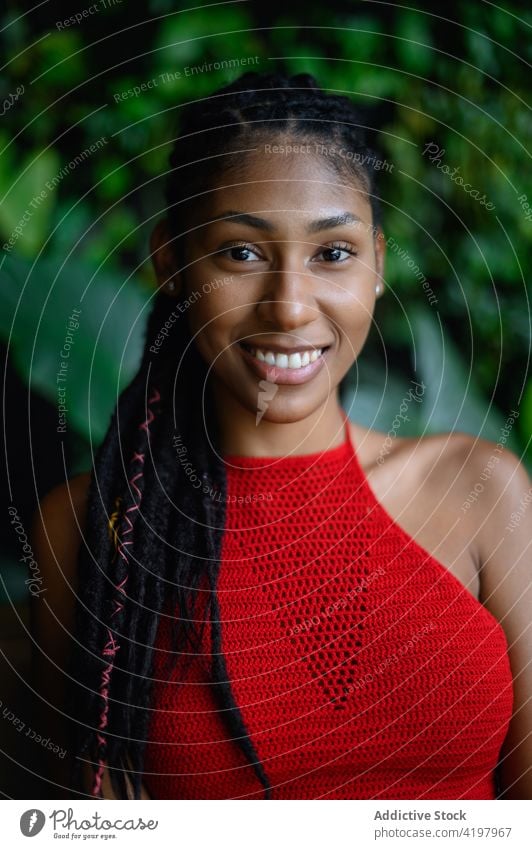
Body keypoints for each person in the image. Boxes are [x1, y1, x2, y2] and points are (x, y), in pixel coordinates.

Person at [31, 72, 531, 801]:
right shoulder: (93, 527)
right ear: (172, 261)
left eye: (333, 253)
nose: (292, 307)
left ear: (379, 264)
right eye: (242, 252)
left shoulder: (483, 491)